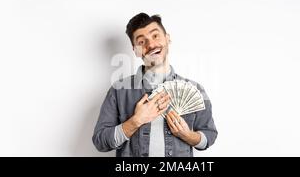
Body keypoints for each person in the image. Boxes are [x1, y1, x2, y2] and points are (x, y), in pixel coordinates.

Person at [92, 13, 217, 157]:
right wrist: (135, 121)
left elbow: (210, 135)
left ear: (167, 38)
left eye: (155, 36)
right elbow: (100, 141)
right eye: (141, 42)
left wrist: (187, 135)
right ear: (135, 51)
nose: (151, 45)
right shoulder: (118, 91)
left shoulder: (196, 89)